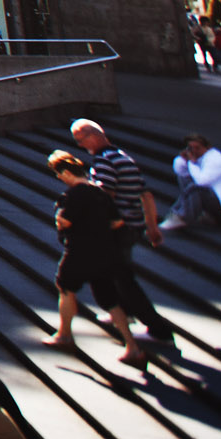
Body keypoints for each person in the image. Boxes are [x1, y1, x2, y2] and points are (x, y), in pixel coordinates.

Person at [71, 117, 171, 341]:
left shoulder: (104, 161)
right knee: (114, 274)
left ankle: (158, 329)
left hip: (116, 229)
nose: (80, 145)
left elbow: (104, 195)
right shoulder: (123, 158)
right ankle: (124, 313)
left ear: (95, 135)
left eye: (81, 139)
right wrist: (152, 227)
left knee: (122, 278)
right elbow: (145, 194)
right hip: (131, 226)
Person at [44, 150, 141, 363]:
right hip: (104, 252)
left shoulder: (73, 195)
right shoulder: (101, 193)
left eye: (59, 174)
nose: (59, 178)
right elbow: (117, 222)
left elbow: (66, 222)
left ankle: (64, 335)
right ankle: (132, 346)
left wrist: (59, 217)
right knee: (109, 298)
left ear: (67, 172)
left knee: (66, 288)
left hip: (79, 250)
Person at [167, 134, 221, 227]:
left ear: (207, 147)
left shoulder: (215, 159)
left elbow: (201, 182)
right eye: (190, 148)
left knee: (196, 188)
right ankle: (181, 214)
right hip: (218, 196)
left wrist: (191, 162)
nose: (194, 151)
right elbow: (179, 169)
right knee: (184, 178)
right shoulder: (199, 159)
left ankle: (182, 216)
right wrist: (183, 160)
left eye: (197, 148)